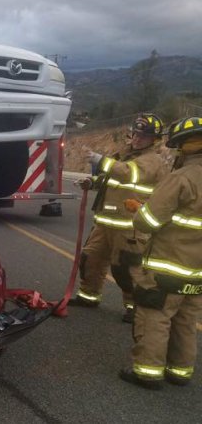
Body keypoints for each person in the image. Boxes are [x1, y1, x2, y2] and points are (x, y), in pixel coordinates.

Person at [119, 116, 202, 389]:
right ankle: (180, 371)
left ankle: (148, 372)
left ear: (185, 147)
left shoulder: (181, 178)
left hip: (167, 265)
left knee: (155, 317)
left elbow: (149, 222)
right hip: (197, 271)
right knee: (186, 321)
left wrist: (139, 209)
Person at [69, 113, 169, 323]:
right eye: (137, 133)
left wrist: (100, 160)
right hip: (105, 222)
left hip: (129, 227)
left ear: (155, 140)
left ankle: (135, 308)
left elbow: (127, 174)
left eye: (145, 136)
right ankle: (89, 295)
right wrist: (93, 182)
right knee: (91, 259)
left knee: (127, 268)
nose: (138, 138)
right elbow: (112, 178)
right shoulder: (125, 155)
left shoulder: (152, 161)